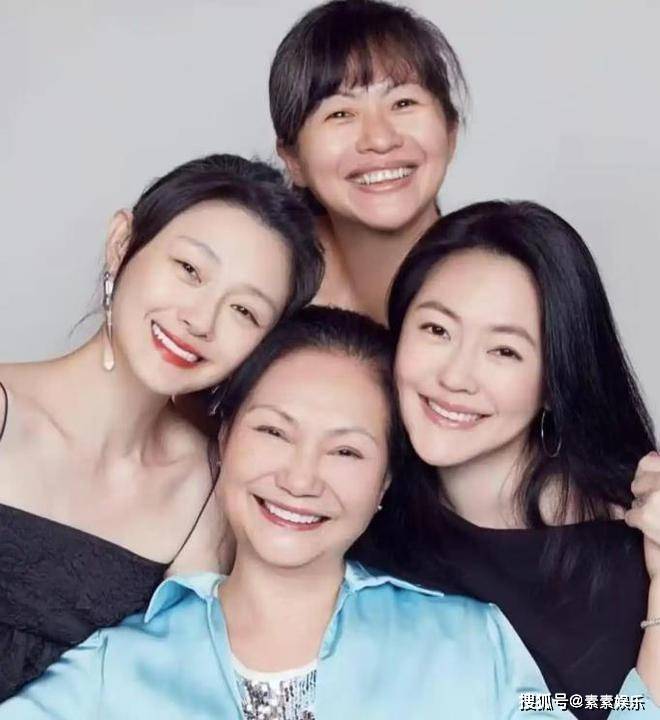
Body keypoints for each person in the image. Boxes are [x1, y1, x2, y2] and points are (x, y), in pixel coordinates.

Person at [4, 305, 651, 720]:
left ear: (385, 480)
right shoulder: (118, 668)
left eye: (346, 450)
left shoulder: (470, 643)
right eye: (273, 432)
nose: (300, 478)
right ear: (223, 440)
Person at [0, 153, 324, 699]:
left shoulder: (206, 490)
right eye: (190, 270)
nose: (200, 320)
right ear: (122, 243)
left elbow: (165, 695)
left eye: (244, 311)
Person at [355, 200, 659, 719]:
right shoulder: (359, 526)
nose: (455, 377)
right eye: (436, 330)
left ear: (554, 381)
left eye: (504, 351)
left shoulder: (638, 536)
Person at [270, 0, 467, 323]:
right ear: (294, 160)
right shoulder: (263, 287)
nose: (380, 139)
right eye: (340, 113)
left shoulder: (510, 283)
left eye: (403, 103)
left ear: (450, 133)